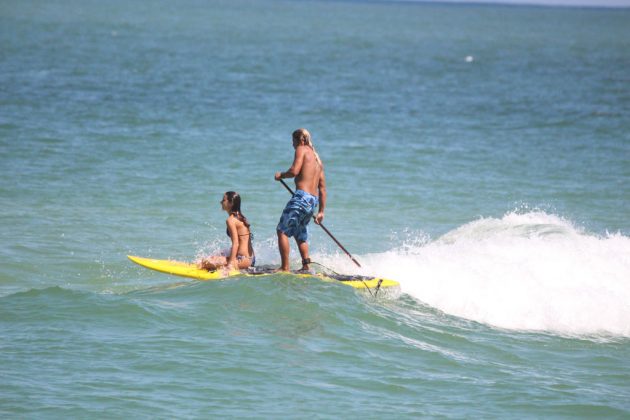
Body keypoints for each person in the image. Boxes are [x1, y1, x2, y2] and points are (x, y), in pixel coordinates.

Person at [275, 128, 327, 272]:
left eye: (293, 142)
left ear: (300, 140)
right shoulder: (318, 160)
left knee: (282, 230)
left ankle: (284, 267)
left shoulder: (301, 149)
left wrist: (281, 175)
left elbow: (294, 171)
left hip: (301, 197)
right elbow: (322, 189)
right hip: (312, 201)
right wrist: (321, 211)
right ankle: (306, 266)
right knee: (299, 233)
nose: (293, 145)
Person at [198, 191, 255, 272]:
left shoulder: (231, 220)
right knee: (215, 256)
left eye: (223, 200)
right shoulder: (241, 217)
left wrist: (230, 264)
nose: (221, 202)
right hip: (250, 258)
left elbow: (236, 243)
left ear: (231, 203)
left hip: (242, 260)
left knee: (205, 262)